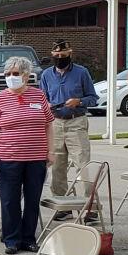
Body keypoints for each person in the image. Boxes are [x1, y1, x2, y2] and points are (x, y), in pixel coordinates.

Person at [0, 55, 52, 255]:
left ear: (26, 75)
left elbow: (49, 124)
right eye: (8, 74)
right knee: (9, 200)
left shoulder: (38, 96)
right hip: (8, 157)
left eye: (15, 73)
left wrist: (51, 150)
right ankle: (11, 239)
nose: (11, 77)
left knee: (33, 199)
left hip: (36, 158)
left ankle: (28, 238)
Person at [38, 38, 97, 210]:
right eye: (56, 55)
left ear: (70, 54)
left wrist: (78, 101)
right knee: (57, 166)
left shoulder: (81, 72)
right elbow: (42, 98)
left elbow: (93, 98)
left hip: (76, 121)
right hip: (55, 123)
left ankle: (90, 207)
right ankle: (62, 206)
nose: (59, 58)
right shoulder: (47, 75)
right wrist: (46, 105)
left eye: (63, 55)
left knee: (83, 164)